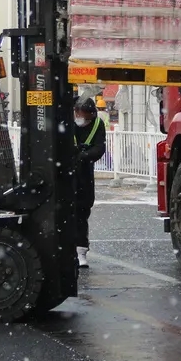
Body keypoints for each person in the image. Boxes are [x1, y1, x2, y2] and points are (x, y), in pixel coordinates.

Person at [73, 96, 107, 269]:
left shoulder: (97, 124)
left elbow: (99, 148)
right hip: (65, 172)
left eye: (85, 116)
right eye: (79, 115)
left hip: (84, 172)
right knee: (65, 212)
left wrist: (83, 156)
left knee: (81, 211)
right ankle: (65, 249)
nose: (82, 119)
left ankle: (81, 251)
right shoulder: (66, 121)